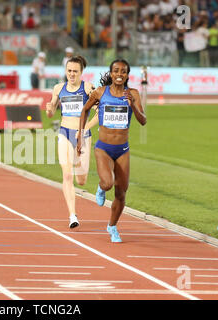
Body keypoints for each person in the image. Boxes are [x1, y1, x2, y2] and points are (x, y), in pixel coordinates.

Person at [77, 59, 147, 242]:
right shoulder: (100, 92)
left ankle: (112, 226)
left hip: (123, 149)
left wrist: (132, 105)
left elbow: (143, 120)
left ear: (127, 75)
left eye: (123, 71)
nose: (119, 74)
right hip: (104, 148)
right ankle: (101, 188)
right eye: (116, 71)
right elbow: (84, 111)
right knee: (108, 183)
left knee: (121, 193)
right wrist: (79, 135)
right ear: (110, 73)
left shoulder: (133, 94)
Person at [46, 55, 98, 229]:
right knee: (67, 175)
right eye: (69, 71)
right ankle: (72, 216)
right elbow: (51, 112)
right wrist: (49, 109)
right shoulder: (58, 88)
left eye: (75, 71)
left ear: (81, 72)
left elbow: (99, 114)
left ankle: (82, 173)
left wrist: (83, 130)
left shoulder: (89, 88)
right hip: (64, 133)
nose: (72, 74)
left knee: (81, 180)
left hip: (83, 135)